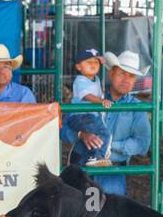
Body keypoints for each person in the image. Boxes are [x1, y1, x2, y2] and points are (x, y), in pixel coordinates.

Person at [63, 49, 152, 200]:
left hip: (112, 167)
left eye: (131, 76)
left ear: (134, 81)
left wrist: (108, 146)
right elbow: (63, 128)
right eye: (121, 73)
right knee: (72, 213)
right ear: (111, 74)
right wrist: (81, 134)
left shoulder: (137, 108)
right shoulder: (92, 96)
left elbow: (143, 144)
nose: (126, 79)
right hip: (81, 165)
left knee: (108, 212)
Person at [66, 47, 111, 165]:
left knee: (97, 134)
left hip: (89, 116)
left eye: (96, 62)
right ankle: (97, 157)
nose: (93, 64)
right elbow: (86, 96)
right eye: (89, 62)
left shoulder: (96, 79)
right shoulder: (80, 80)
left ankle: (93, 157)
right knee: (104, 133)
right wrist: (101, 102)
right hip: (82, 116)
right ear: (78, 67)